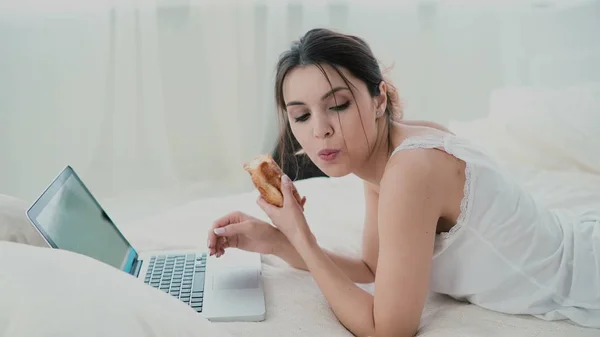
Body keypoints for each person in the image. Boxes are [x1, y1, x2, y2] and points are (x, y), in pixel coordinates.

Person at [206, 28, 600, 336]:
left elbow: (389, 329)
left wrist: (302, 235)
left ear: (379, 99)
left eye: (338, 105)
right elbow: (374, 266)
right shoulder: (385, 156)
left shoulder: (411, 168)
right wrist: (276, 241)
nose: (320, 130)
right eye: (301, 115)